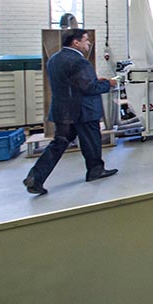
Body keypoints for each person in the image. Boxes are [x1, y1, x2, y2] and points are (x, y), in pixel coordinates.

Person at [23, 29, 118, 195]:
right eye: (86, 40)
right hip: (84, 110)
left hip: (63, 111)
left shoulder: (54, 59)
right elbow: (89, 88)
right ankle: (95, 170)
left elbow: (72, 83)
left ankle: (35, 177)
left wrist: (95, 80)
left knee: (58, 144)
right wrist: (108, 84)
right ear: (76, 42)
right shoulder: (80, 62)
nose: (88, 44)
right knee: (91, 141)